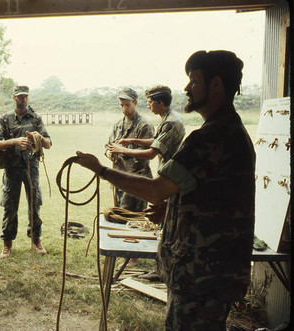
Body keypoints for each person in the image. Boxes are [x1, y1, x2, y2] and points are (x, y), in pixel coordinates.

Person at [75, 50, 255, 330]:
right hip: (211, 270)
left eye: (194, 81)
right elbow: (208, 194)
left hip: (201, 273)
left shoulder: (211, 137)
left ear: (216, 85)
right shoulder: (229, 131)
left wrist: (100, 169)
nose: (186, 89)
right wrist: (172, 206)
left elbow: (156, 190)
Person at [115, 85, 185, 281]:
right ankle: (162, 267)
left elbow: (151, 153)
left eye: (150, 102)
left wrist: (124, 150)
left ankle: (163, 270)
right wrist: (130, 141)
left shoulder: (171, 122)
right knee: (164, 225)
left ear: (160, 103)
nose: (149, 105)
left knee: (166, 226)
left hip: (171, 180)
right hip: (169, 177)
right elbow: (155, 141)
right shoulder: (168, 119)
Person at [0, 85, 52, 259]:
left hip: (31, 168)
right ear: (14, 98)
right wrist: (15, 141)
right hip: (11, 169)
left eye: (25, 96)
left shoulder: (36, 118)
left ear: (28, 97)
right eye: (19, 96)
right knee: (10, 205)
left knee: (34, 203)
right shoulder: (4, 119)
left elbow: (48, 143)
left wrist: (38, 138)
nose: (23, 99)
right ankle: (7, 243)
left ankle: (36, 240)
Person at [105, 87, 154, 212]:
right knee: (119, 215)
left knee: (133, 220)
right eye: (121, 105)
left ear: (135, 103)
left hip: (137, 181)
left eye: (127, 105)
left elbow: (146, 154)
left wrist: (121, 150)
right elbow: (108, 145)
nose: (124, 109)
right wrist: (109, 153)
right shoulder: (118, 125)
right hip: (119, 178)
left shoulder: (144, 125)